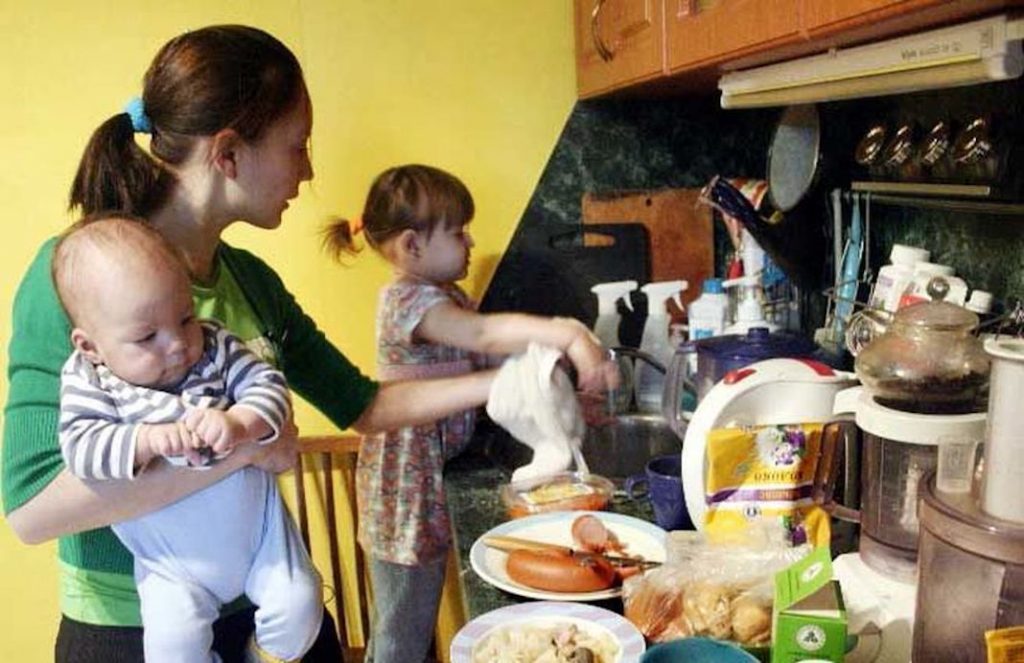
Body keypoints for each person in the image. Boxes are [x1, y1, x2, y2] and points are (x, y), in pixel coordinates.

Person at [1, 24, 615, 662]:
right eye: (298, 146)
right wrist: (242, 449)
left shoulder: (250, 281)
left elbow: (365, 405)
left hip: (265, 602)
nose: (310, 169)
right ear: (230, 153)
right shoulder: (73, 280)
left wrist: (517, 376)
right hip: (135, 631)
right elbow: (33, 511)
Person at [322, 164, 611, 663]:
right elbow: (483, 337)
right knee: (400, 635)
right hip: (404, 495)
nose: (471, 241)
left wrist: (565, 398)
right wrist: (567, 333)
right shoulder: (407, 301)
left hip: (430, 480)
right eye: (457, 231)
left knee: (410, 625)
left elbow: (497, 361)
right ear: (412, 245)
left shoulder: (447, 297)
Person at [53, 214, 322, 663]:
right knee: (171, 648)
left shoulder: (215, 344)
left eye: (184, 317)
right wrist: (149, 441)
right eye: (146, 336)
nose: (177, 344)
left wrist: (240, 422)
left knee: (301, 607)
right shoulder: (90, 382)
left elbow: (270, 388)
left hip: (261, 537)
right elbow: (81, 450)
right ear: (91, 346)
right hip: (171, 566)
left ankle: (263, 653)